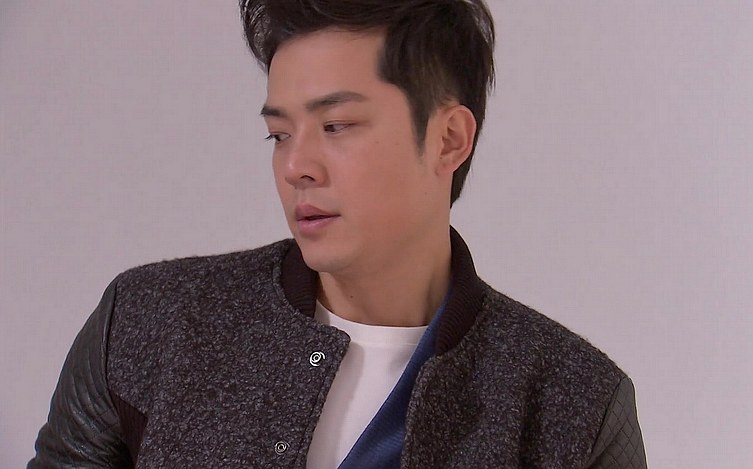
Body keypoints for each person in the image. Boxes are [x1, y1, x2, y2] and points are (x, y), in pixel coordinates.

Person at [29, 0, 647, 467]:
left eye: (336, 126)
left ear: (448, 139)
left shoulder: (574, 402)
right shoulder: (148, 323)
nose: (296, 165)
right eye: (279, 134)